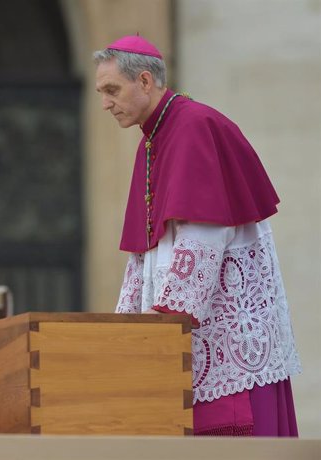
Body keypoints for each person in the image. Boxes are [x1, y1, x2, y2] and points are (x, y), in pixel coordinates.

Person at [93, 35, 301, 436]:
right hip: (175, 334)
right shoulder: (151, 141)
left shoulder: (193, 126)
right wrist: (125, 324)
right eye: (102, 92)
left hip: (222, 338)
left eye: (112, 90)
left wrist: (172, 313)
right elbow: (144, 249)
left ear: (145, 82)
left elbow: (205, 230)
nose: (105, 103)